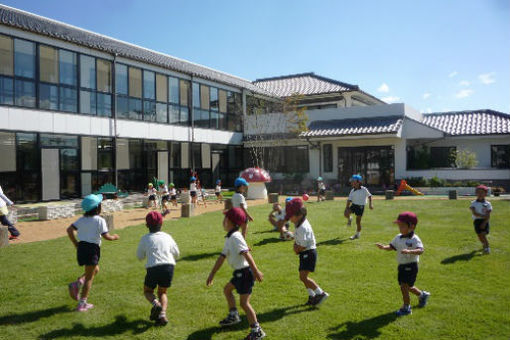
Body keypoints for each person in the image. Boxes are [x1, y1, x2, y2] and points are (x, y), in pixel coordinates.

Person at [206, 207, 265, 340]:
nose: (223, 221)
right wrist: (212, 273)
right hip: (240, 273)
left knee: (244, 303)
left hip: (245, 274)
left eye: (225, 218)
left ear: (231, 222)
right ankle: (234, 316)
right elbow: (222, 257)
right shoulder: (230, 237)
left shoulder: (235, 236)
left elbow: (246, 254)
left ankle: (257, 330)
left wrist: (256, 271)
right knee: (227, 290)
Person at [66, 194, 119, 312]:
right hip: (92, 250)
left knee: (95, 270)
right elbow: (106, 236)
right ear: (98, 208)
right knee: (89, 277)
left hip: (82, 248)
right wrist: (114, 237)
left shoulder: (81, 219)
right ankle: (82, 303)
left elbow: (69, 230)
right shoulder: (100, 220)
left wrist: (75, 243)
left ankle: (78, 282)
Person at [376, 211, 430, 316]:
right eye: (399, 226)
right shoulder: (398, 237)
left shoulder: (414, 239)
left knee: (404, 287)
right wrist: (384, 247)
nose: (400, 228)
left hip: (411, 266)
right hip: (401, 266)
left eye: (403, 226)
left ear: (412, 226)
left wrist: (410, 251)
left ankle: (406, 307)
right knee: (408, 286)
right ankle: (422, 295)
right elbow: (392, 247)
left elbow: (421, 250)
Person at [137, 211, 180, 326]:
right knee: (162, 292)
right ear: (162, 223)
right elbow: (177, 253)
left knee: (148, 291)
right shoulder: (167, 236)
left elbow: (140, 256)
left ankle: (156, 304)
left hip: (153, 267)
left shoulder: (145, 238)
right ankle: (163, 315)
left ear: (147, 225)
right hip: (169, 266)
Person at [285, 198, 329, 307]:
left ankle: (320, 293)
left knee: (303, 277)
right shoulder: (300, 223)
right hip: (306, 253)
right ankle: (312, 296)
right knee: (302, 276)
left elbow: (302, 245)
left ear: (299, 215)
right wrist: (292, 236)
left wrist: (296, 248)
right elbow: (300, 237)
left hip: (308, 253)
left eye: (291, 216)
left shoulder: (302, 227)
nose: (289, 219)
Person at [344, 175, 373, 240]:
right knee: (346, 214)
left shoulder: (364, 189)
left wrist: (370, 205)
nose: (352, 183)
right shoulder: (352, 190)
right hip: (354, 205)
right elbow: (349, 200)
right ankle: (349, 218)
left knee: (358, 221)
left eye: (353, 181)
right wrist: (346, 208)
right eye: (352, 182)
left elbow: (370, 196)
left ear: (358, 182)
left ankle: (357, 234)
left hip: (360, 207)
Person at [469, 185, 492, 254]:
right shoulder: (473, 203)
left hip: (485, 221)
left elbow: (488, 214)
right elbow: (474, 213)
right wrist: (483, 215)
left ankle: (487, 248)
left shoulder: (487, 204)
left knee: (483, 235)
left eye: (482, 192)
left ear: (485, 194)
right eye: (478, 192)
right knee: (479, 235)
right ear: (476, 193)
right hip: (477, 221)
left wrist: (484, 222)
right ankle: (483, 244)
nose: (480, 194)